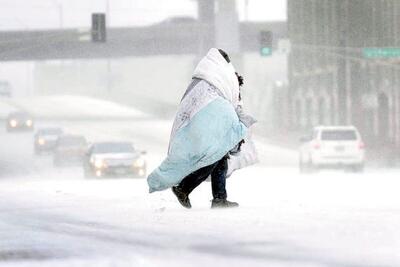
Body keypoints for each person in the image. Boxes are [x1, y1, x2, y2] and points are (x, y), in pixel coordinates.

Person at [147, 48, 256, 209]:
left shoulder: (202, 81)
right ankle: (185, 188)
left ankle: (219, 198)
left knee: (219, 159)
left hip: (203, 126)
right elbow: (230, 104)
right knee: (212, 158)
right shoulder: (223, 78)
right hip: (212, 127)